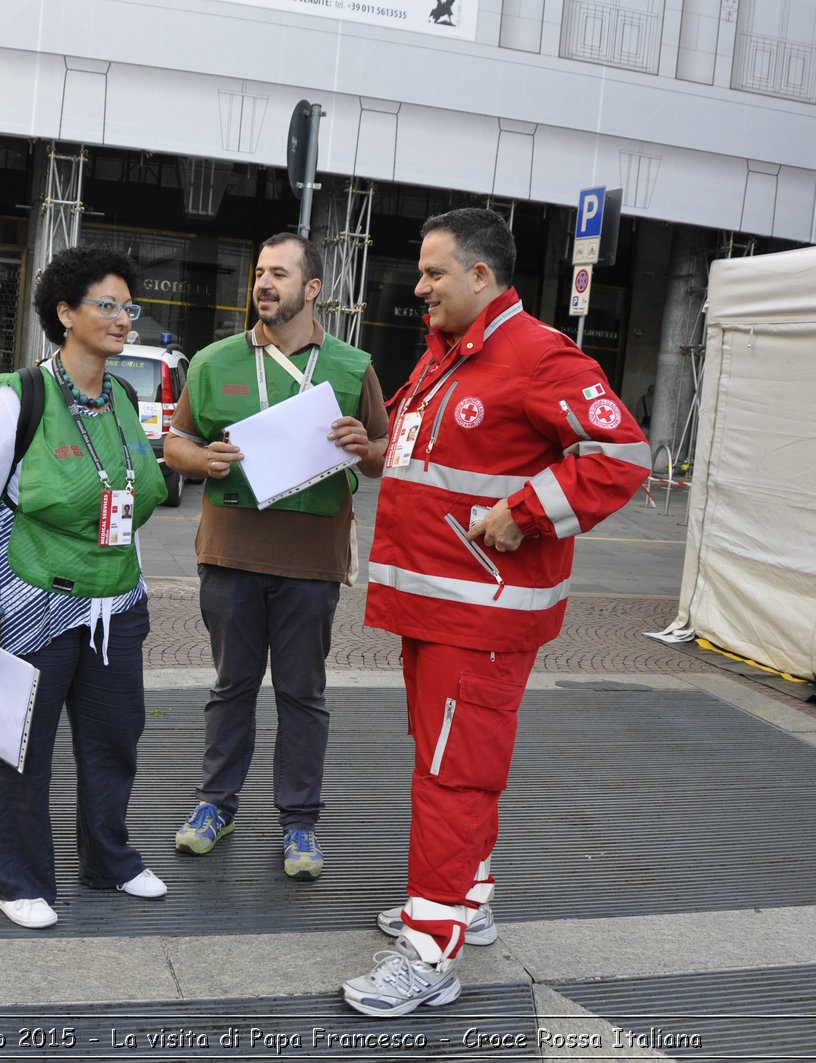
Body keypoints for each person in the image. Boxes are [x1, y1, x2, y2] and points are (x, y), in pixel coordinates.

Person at [344, 208, 650, 1016]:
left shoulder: (539, 355)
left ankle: (428, 951)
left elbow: (622, 456)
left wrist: (527, 509)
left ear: (482, 276)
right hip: (439, 608)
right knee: (452, 765)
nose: (420, 286)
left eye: (435, 272)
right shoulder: (450, 354)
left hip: (479, 617)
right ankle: (465, 899)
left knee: (452, 777)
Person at [164, 233, 389, 880]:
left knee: (302, 693)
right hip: (230, 554)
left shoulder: (352, 366)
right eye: (259, 272)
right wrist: (202, 458)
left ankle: (300, 823)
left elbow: (381, 454)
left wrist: (363, 447)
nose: (264, 283)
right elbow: (176, 442)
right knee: (231, 687)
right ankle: (216, 804)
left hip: (312, 561)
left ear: (312, 288)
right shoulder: (212, 362)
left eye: (279, 274)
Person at [0, 245, 170, 930]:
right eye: (105, 304)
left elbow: (125, 495)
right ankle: (13, 877)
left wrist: (134, 590)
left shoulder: (123, 397)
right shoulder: (17, 398)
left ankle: (108, 857)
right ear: (65, 312)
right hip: (32, 601)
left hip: (115, 603)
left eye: (127, 306)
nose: (120, 318)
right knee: (21, 745)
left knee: (114, 740)